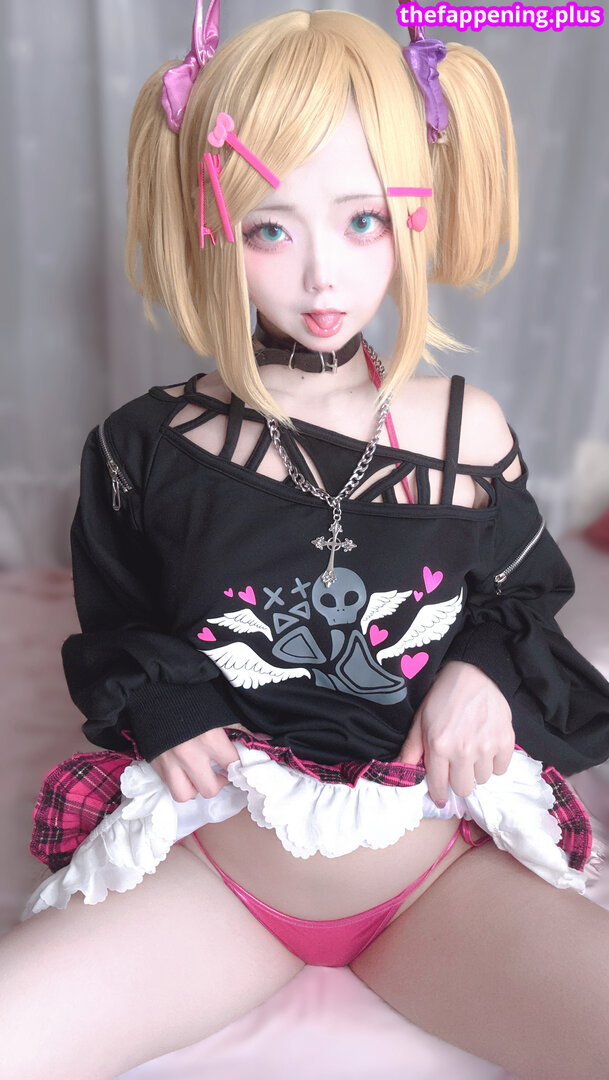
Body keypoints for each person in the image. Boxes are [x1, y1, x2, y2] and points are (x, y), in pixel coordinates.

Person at [2, 4, 609, 1077]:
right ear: (210, 226)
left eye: (363, 220)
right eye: (270, 229)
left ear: (412, 215)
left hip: (438, 880)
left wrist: (480, 671)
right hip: (214, 879)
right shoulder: (144, 445)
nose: (323, 277)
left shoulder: (466, 430)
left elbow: (522, 595)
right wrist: (168, 704)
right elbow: (119, 621)